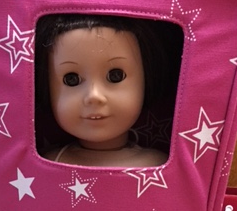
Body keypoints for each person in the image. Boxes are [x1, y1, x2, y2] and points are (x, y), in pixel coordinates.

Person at [35, 14, 181, 167]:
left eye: (115, 76)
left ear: (147, 77)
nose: (94, 96)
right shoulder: (47, 164)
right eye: (71, 79)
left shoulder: (158, 165)